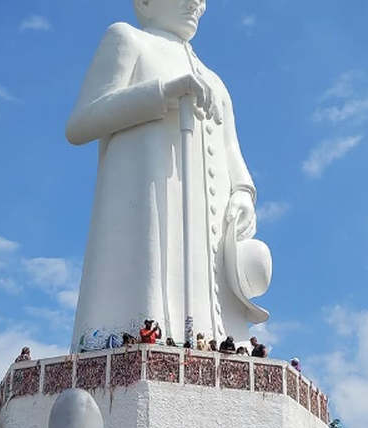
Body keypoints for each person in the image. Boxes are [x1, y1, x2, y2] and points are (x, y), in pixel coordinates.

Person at [67, 0, 273, 353]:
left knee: (211, 303)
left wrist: (242, 192)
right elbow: (80, 123)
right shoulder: (129, 40)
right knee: (151, 286)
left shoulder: (215, 81)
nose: (197, 4)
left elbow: (231, 150)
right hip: (147, 207)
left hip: (209, 224)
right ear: (145, 2)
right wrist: (162, 92)